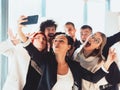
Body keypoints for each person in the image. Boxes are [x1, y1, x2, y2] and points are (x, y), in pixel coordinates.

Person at [17, 16, 116, 90]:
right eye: (55, 40)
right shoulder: (45, 61)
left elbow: (93, 78)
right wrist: (19, 29)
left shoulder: (74, 66)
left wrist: (108, 62)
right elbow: (30, 47)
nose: (57, 43)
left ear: (68, 47)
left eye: (61, 41)